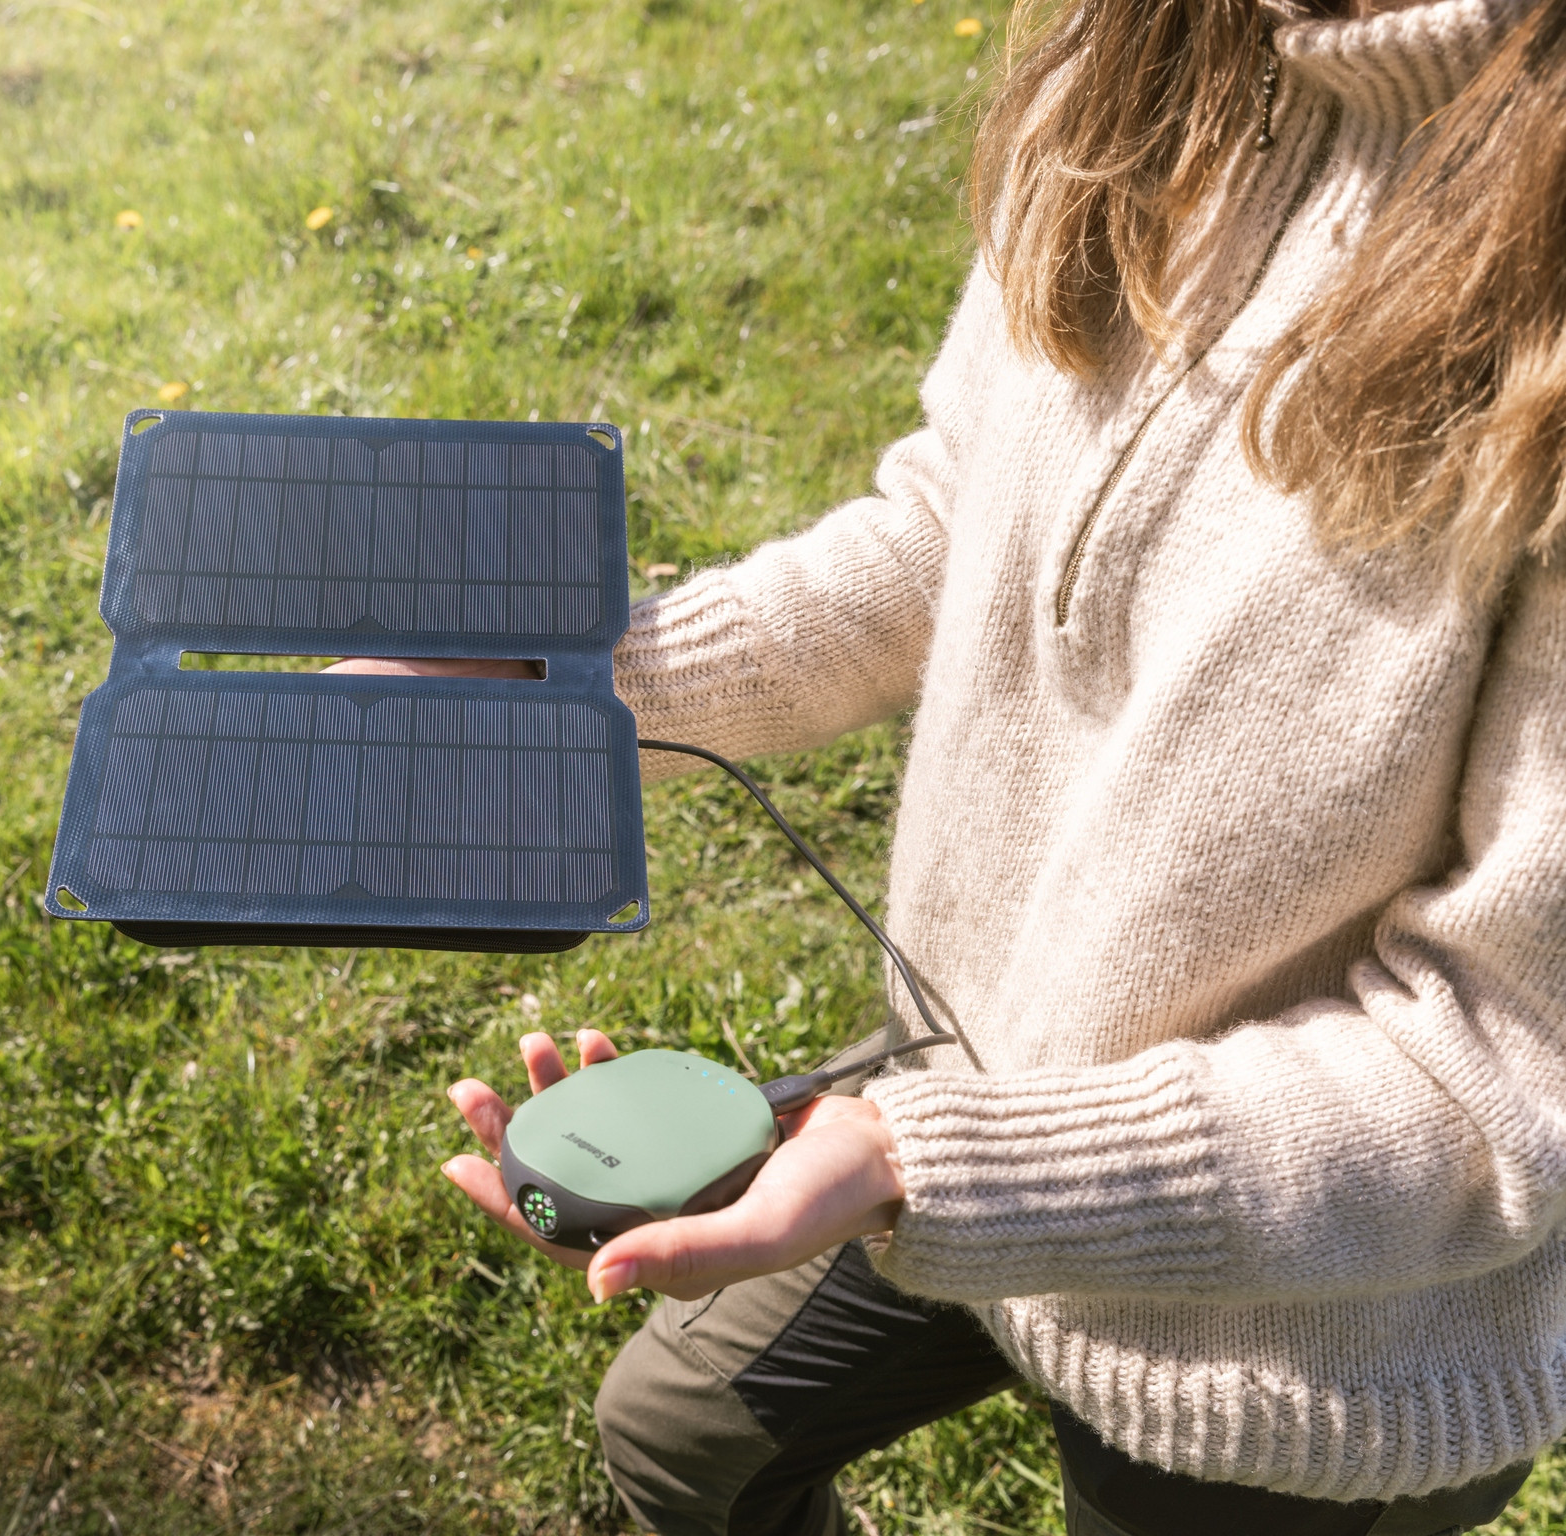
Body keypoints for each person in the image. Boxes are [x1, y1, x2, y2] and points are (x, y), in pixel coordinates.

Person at [430, 0, 1566, 1528]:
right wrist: (579, 688)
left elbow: (1493, 1071)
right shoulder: (1142, 58)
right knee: (681, 1433)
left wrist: (931, 1164)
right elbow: (955, 522)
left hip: (1309, 1345)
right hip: (955, 1092)